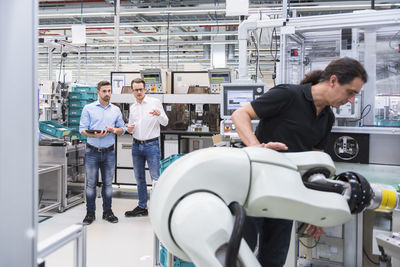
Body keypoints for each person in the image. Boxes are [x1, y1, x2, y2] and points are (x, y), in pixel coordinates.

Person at [231, 57, 368, 267]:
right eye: (350, 92)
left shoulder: (327, 118)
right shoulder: (288, 95)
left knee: (275, 258)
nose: (351, 100)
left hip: (286, 193)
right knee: (241, 254)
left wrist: (316, 210)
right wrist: (255, 148)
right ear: (333, 80)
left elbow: (314, 167)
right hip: (255, 187)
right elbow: (241, 114)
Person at [79, 80, 126, 225]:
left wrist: (114, 130)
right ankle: (90, 213)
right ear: (98, 92)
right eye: (104, 91)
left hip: (109, 153)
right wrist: (94, 135)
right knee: (91, 184)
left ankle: (107, 212)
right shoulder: (88, 108)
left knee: (108, 185)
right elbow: (82, 129)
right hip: (92, 152)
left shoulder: (116, 110)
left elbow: (122, 129)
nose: (107, 94)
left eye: (109, 91)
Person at [125, 78, 168, 217]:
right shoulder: (132, 107)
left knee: (156, 178)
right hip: (136, 146)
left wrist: (159, 114)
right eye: (136, 90)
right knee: (139, 178)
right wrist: (129, 129)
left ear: (145, 89)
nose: (138, 92)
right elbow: (131, 127)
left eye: (140, 89)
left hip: (152, 145)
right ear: (132, 91)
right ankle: (142, 206)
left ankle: (159, 207)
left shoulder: (154, 102)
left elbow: (165, 122)